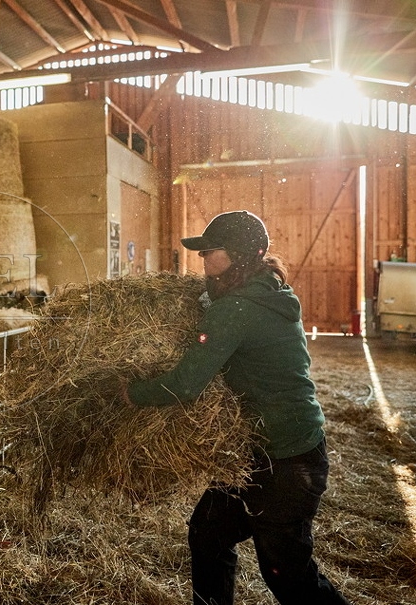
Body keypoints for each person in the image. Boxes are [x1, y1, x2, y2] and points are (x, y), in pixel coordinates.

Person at [124, 210, 349, 605]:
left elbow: (185, 384)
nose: (203, 258)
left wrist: (131, 393)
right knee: (208, 532)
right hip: (262, 453)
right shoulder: (271, 292)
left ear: (240, 255)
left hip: (286, 461)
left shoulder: (237, 309)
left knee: (288, 574)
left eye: (212, 251)